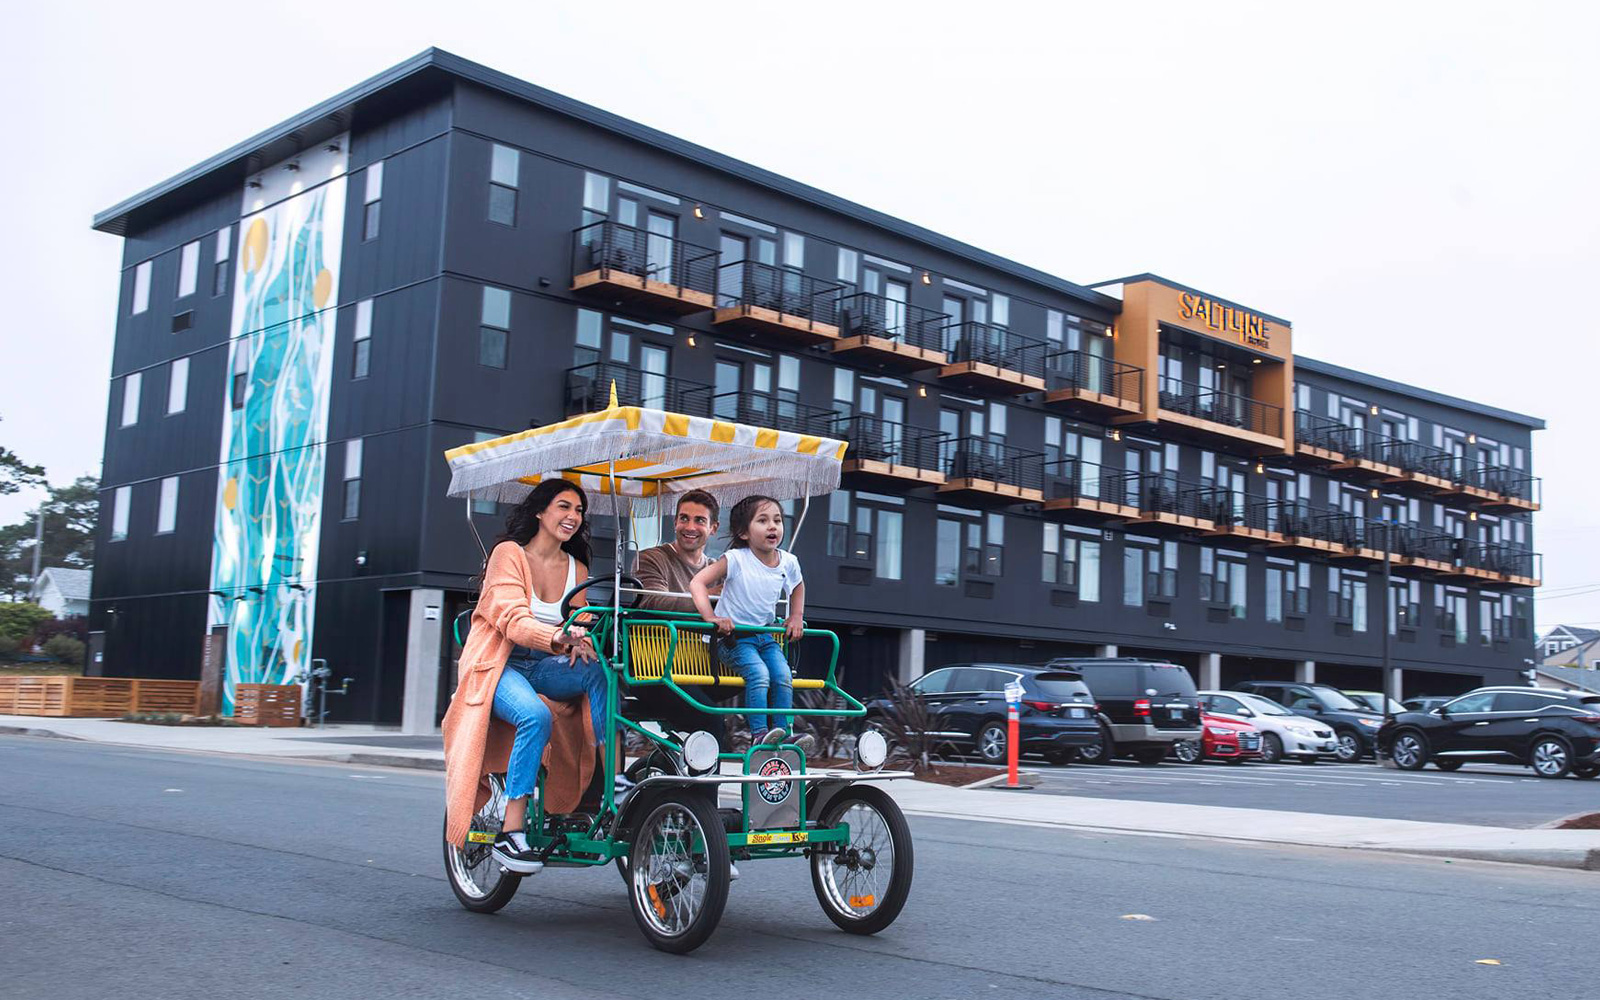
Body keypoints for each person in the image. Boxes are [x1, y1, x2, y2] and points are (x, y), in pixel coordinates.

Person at [441, 480, 609, 876]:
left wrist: (584, 635)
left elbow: (579, 615)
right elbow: (512, 619)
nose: (572, 516)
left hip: (546, 663)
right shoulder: (508, 555)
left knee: (601, 674)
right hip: (500, 663)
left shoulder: (577, 568)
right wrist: (557, 636)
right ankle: (511, 830)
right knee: (535, 717)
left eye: (579, 510)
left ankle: (610, 777)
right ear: (539, 511)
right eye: (563, 506)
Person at [689, 494, 814, 754]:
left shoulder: (788, 561)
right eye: (763, 521)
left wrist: (796, 615)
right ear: (744, 533)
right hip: (733, 638)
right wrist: (711, 618)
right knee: (759, 674)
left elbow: (798, 586)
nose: (773, 527)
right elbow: (697, 583)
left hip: (765, 637)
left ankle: (782, 733)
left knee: (782, 676)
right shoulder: (736, 559)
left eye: (777, 520)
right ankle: (758, 735)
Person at [631, 490, 728, 742]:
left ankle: (774, 747)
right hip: (654, 665)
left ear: (713, 528)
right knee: (709, 717)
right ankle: (702, 780)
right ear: (674, 522)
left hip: (703, 664)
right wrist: (711, 595)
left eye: (699, 521)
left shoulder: (717, 568)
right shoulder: (651, 559)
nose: (690, 527)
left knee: (769, 676)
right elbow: (654, 602)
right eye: (683, 519)